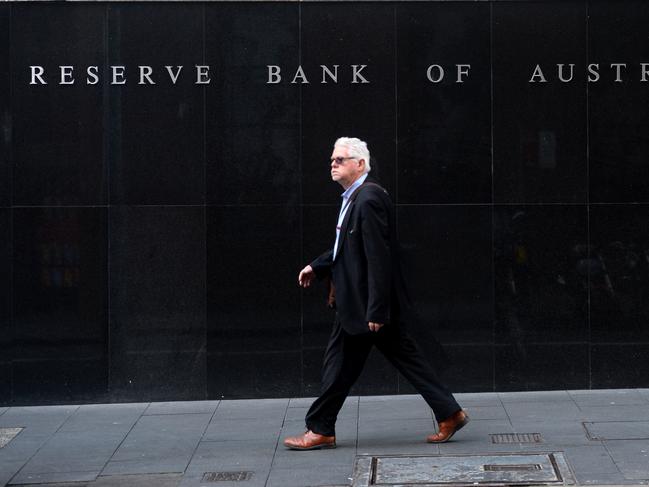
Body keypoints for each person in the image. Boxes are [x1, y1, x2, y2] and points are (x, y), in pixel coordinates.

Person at [283, 137, 468, 451]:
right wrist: (318, 266)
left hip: (364, 306)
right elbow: (348, 247)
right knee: (401, 359)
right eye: (332, 159)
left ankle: (320, 428)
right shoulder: (356, 197)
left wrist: (377, 311)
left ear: (360, 164)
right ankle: (450, 413)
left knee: (339, 366)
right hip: (363, 304)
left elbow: (378, 258)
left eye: (340, 159)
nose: (332, 164)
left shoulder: (367, 199)